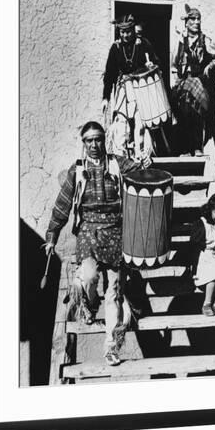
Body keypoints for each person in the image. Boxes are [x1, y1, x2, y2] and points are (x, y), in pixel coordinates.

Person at [44, 121, 151, 366]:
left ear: (104, 140)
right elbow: (62, 205)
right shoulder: (77, 170)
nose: (94, 144)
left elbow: (139, 173)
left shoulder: (117, 163)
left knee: (114, 292)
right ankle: (89, 305)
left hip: (115, 231)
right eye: (89, 140)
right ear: (83, 143)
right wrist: (52, 236)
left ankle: (112, 346)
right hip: (88, 232)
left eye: (98, 139)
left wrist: (144, 165)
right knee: (89, 277)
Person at [170, 5, 215, 156]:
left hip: (200, 82)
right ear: (186, 22)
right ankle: (185, 149)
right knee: (183, 113)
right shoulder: (180, 41)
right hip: (184, 82)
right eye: (193, 19)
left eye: (199, 19)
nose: (196, 22)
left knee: (197, 113)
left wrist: (211, 65)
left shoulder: (205, 40)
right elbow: (174, 64)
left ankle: (198, 147)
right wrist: (175, 80)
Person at [102, 14, 159, 159]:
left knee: (141, 124)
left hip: (142, 88)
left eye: (128, 31)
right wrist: (105, 97)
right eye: (122, 32)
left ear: (133, 30)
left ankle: (142, 156)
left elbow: (157, 63)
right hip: (124, 90)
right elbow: (109, 75)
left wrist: (151, 65)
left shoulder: (143, 44)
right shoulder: (115, 48)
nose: (125, 35)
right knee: (121, 123)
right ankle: (120, 158)